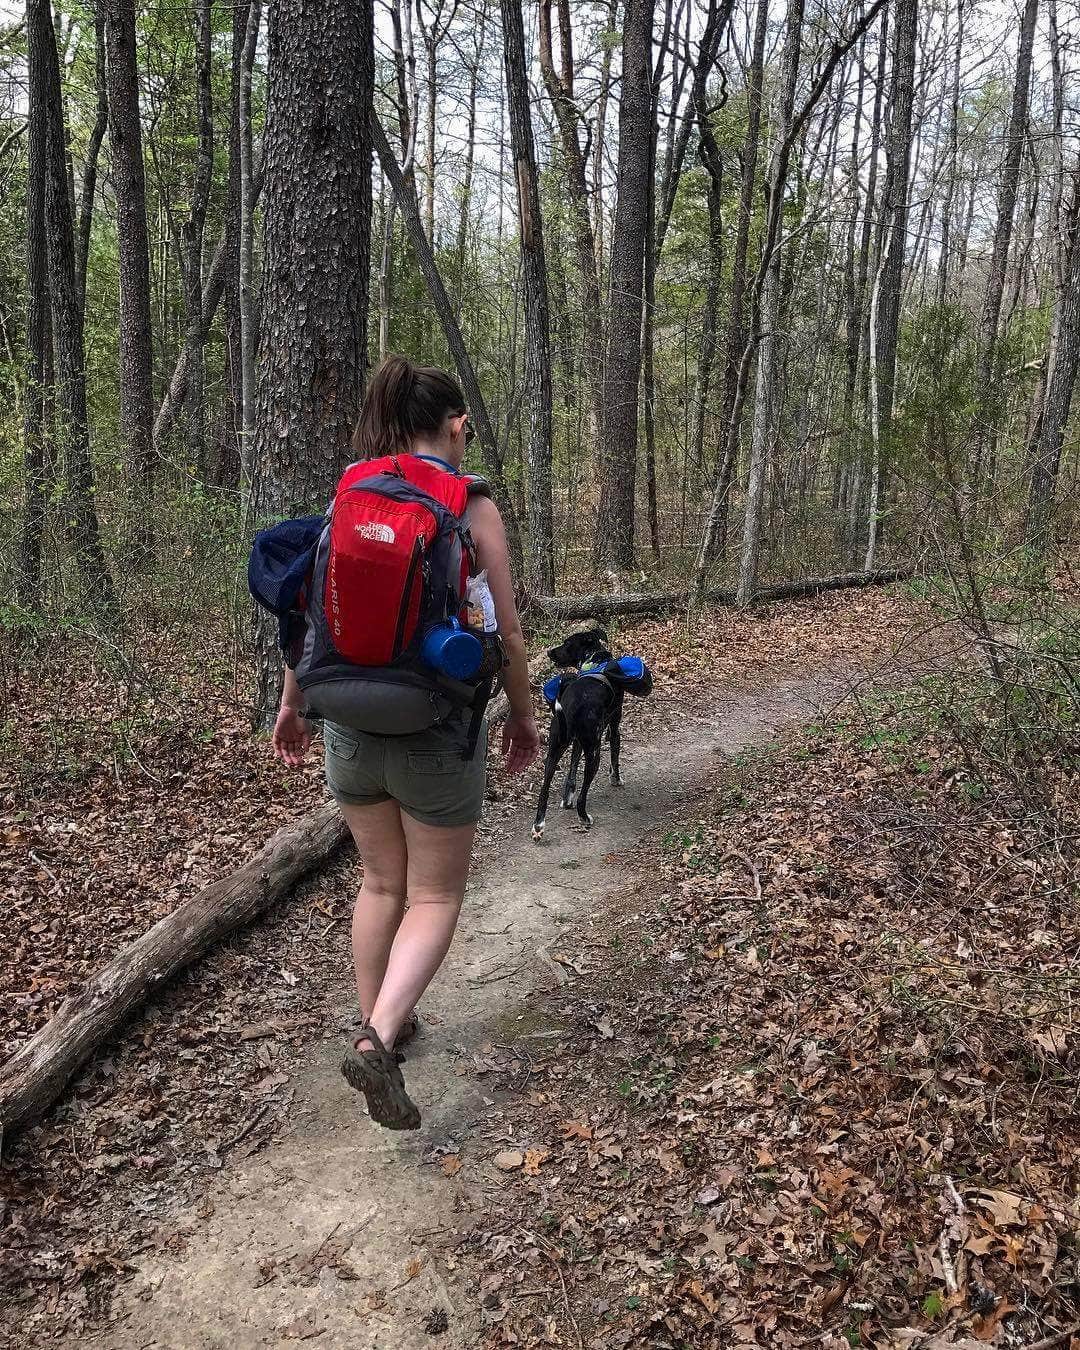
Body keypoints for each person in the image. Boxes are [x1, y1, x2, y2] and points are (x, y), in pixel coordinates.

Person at [271, 355, 540, 1130]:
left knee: (381, 885)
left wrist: (292, 706)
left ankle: (383, 1024)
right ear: (457, 425)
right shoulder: (470, 505)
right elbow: (508, 635)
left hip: (348, 727)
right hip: (434, 729)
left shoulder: (352, 490)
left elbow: (308, 614)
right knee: (435, 895)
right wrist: (523, 718)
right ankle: (379, 1035)